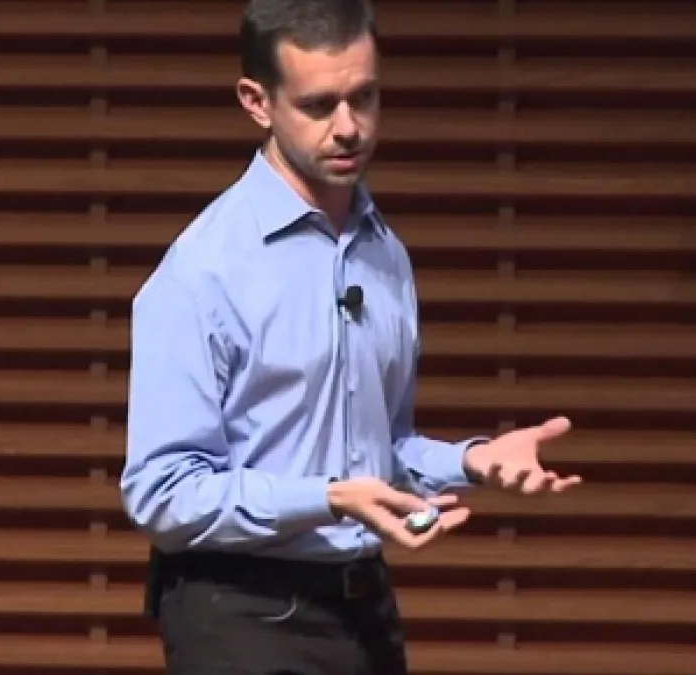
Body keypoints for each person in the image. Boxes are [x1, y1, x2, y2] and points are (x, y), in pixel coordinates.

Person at [120, 0, 582, 672]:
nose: (348, 128)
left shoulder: (383, 254)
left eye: (364, 97)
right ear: (257, 102)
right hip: (238, 609)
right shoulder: (202, 272)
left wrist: (472, 461)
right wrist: (329, 497)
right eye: (318, 105)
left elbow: (375, 452)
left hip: (362, 606)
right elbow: (162, 491)